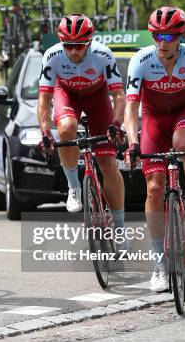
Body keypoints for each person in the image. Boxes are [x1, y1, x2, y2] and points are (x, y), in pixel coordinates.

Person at [123, 6, 185, 292]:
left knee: (183, 143)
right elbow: (131, 108)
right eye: (157, 35)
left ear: (181, 36)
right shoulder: (141, 60)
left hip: (184, 112)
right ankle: (160, 263)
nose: (162, 42)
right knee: (154, 189)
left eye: (168, 35)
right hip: (153, 119)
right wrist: (132, 142)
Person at [37, 14, 127, 232]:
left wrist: (115, 123)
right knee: (66, 128)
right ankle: (74, 186)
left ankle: (120, 228)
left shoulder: (103, 55)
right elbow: (44, 100)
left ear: (89, 42)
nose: (73, 51)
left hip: (97, 98)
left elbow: (119, 96)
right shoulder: (52, 56)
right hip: (66, 94)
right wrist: (46, 133)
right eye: (68, 45)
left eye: (79, 46)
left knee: (107, 164)